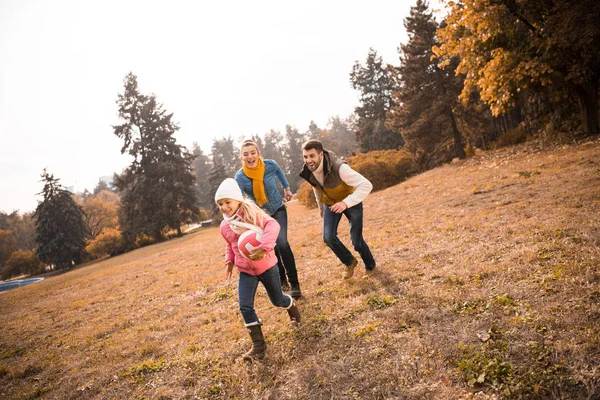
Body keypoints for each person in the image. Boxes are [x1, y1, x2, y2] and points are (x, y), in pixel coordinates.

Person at [215, 178, 300, 361]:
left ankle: (291, 305)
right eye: (220, 204)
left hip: (267, 267)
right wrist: (229, 260)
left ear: (238, 200)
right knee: (245, 306)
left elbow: (273, 225)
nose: (224, 207)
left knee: (277, 300)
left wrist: (265, 246)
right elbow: (230, 244)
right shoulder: (225, 225)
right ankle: (259, 346)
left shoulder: (252, 214)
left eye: (227, 202)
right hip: (245, 271)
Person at [234, 139, 303, 299]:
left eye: (253, 153)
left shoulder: (269, 165)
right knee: (271, 247)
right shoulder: (240, 177)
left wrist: (286, 187)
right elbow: (239, 197)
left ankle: (294, 284)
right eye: (246, 154)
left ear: (258, 153)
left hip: (278, 209)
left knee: (282, 243)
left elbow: (279, 171)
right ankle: (281, 280)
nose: (250, 157)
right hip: (260, 216)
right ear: (241, 157)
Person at [299, 139, 376, 279]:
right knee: (328, 237)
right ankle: (349, 262)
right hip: (330, 203)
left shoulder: (339, 167)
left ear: (320, 154)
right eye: (305, 157)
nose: (308, 160)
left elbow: (366, 185)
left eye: (312, 156)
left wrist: (345, 203)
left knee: (357, 242)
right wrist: (321, 206)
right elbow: (316, 186)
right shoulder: (308, 171)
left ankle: (370, 266)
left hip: (350, 200)